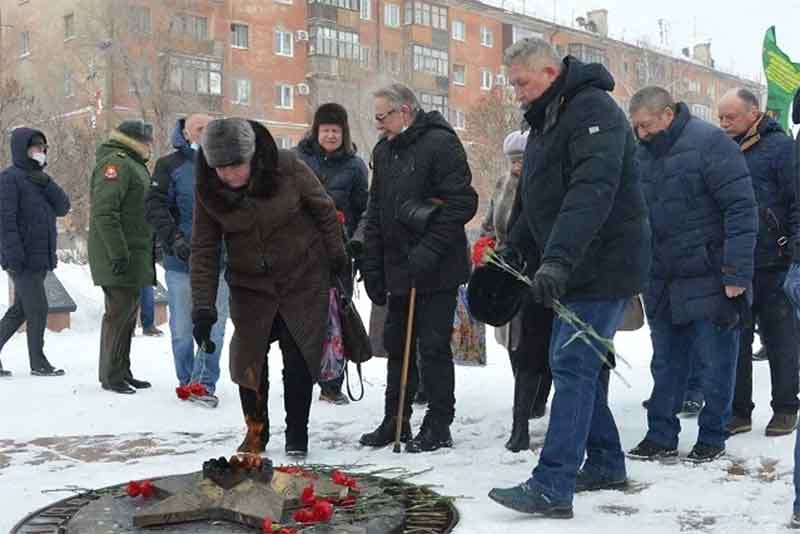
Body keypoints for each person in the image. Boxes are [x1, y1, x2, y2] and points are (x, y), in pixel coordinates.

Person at [487, 37, 650, 519]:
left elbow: (590, 193)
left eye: (520, 82)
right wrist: (514, 246)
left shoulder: (592, 111)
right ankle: (604, 463)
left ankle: (553, 484)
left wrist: (556, 260)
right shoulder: (546, 116)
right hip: (575, 260)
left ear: (549, 73)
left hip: (603, 262)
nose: (515, 91)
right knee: (580, 366)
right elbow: (536, 195)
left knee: (572, 364)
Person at [191, 118, 347, 457]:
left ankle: (297, 435)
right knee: (247, 360)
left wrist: (337, 258)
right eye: (221, 168)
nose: (228, 175)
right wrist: (203, 307)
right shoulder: (208, 186)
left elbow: (323, 210)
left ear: (252, 157)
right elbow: (204, 248)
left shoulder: (287, 167)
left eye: (236, 166)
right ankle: (255, 431)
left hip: (301, 279)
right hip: (250, 286)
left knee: (298, 358)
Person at [626, 87, 757, 463]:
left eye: (646, 126)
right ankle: (660, 434)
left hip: (710, 276)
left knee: (715, 362)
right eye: (636, 127)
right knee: (666, 362)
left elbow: (741, 209)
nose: (641, 134)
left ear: (668, 114)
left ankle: (713, 435)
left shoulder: (712, 143)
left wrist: (736, 273)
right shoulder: (641, 153)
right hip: (661, 278)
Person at [359, 83, 478, 453]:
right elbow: (375, 210)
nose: (378, 124)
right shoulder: (384, 150)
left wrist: (428, 250)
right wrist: (372, 261)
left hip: (438, 267)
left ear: (404, 112)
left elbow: (462, 204)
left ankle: (439, 423)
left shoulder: (441, 144)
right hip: (397, 265)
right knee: (397, 345)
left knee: (431, 346)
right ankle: (395, 419)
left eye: (382, 116)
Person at [717, 88, 800, 437]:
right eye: (720, 117)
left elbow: (797, 199)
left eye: (730, 117)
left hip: (774, 259)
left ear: (754, 114)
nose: (723, 124)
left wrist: (795, 250)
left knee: (780, 339)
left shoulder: (781, 149)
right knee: (736, 341)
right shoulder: (721, 149)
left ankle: (785, 407)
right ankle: (739, 411)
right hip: (736, 262)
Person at [146, 114, 230, 409]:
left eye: (211, 129)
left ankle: (203, 383)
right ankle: (186, 381)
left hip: (219, 264)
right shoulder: (170, 166)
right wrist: (174, 240)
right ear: (185, 132)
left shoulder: (227, 166)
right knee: (182, 330)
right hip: (181, 263)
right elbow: (155, 206)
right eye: (200, 129)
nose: (206, 133)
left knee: (215, 328)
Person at [478, 129, 552, 452]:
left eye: (523, 159)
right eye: (514, 160)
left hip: (541, 273)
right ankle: (523, 412)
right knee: (515, 345)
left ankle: (533, 406)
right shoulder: (503, 184)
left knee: (536, 347)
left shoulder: (543, 184)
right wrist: (486, 243)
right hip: (509, 270)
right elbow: (491, 220)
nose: (517, 166)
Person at [295, 103, 368, 405]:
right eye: (325, 130)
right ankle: (301, 376)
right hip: (301, 251)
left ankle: (332, 382)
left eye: (335, 131)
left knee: (338, 314)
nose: (330, 135)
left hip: (339, 252)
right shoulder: (298, 160)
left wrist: (357, 242)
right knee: (303, 316)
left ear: (344, 132)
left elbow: (364, 209)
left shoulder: (355, 166)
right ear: (316, 131)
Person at [88, 120, 155, 395]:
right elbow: (106, 212)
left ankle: (122, 370)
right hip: (119, 254)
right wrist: (117, 253)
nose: (151, 145)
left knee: (128, 315)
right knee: (118, 315)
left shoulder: (133, 162)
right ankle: (110, 375)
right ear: (135, 140)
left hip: (133, 254)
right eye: (147, 140)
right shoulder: (117, 164)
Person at [0, 128, 70, 378]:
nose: (39, 153)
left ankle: (37, 361)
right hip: (22, 259)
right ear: (22, 150)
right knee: (38, 308)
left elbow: (63, 206)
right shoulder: (9, 178)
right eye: (34, 148)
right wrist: (13, 256)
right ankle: (38, 362)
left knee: (21, 309)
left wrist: (47, 182)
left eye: (42, 148)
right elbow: (5, 221)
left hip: (39, 258)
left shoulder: (41, 179)